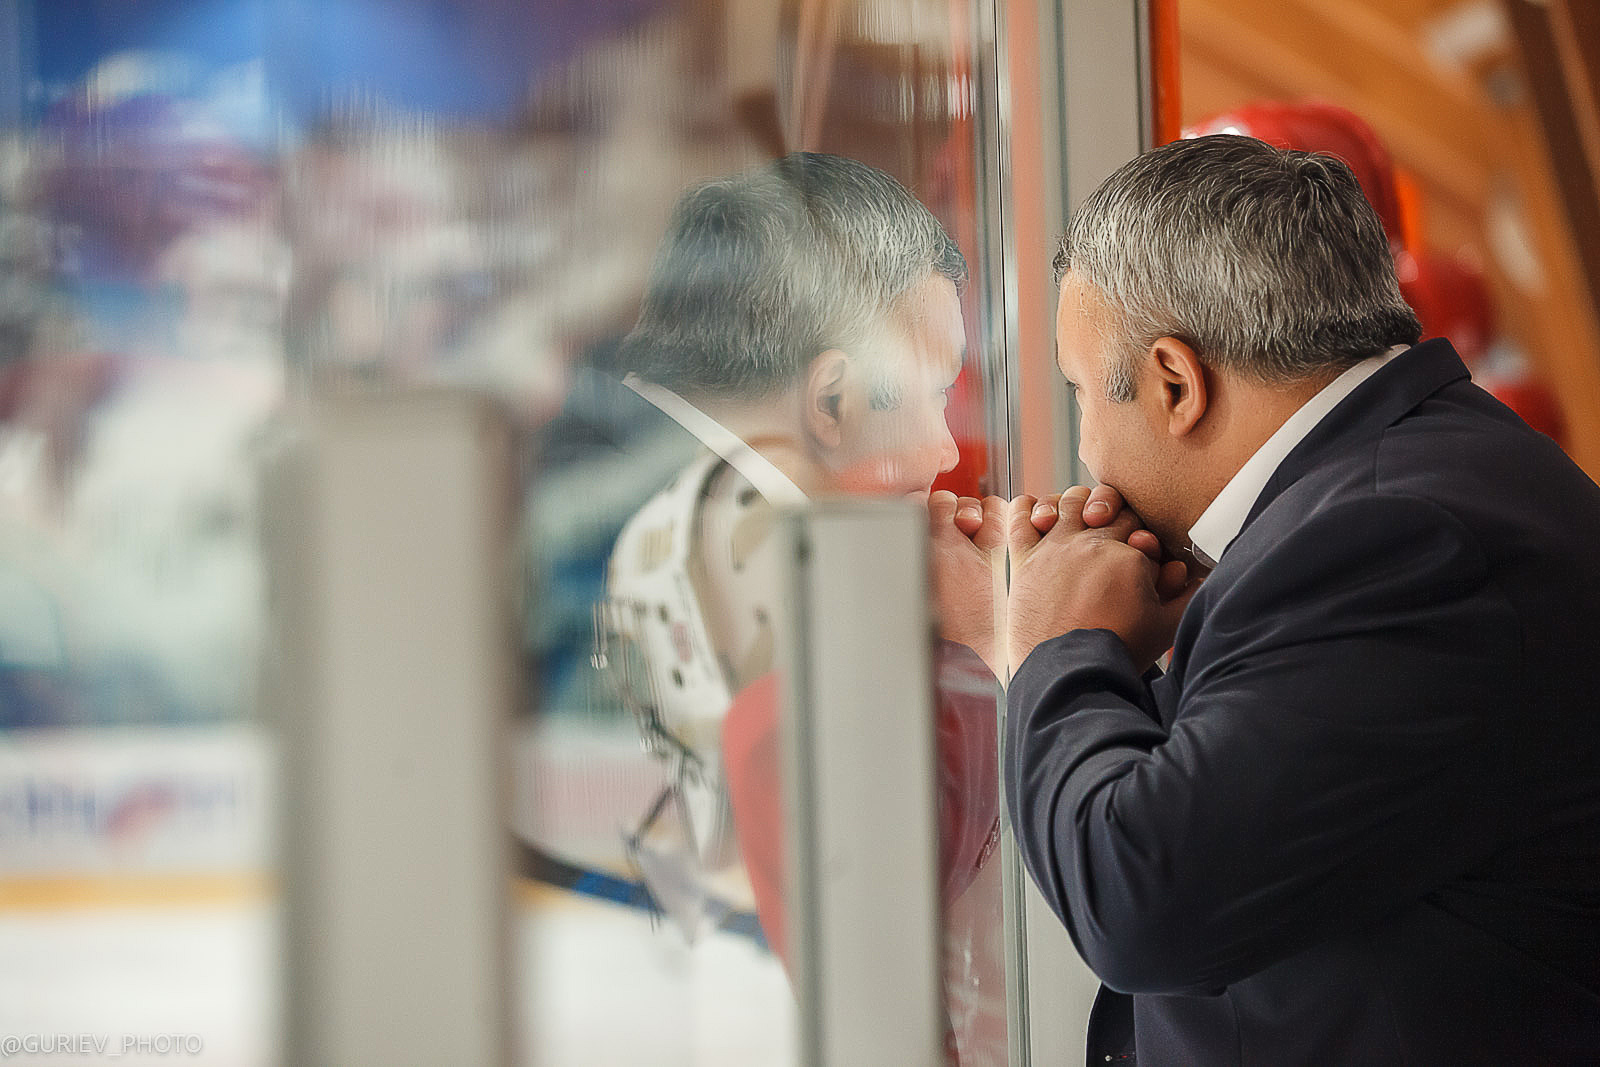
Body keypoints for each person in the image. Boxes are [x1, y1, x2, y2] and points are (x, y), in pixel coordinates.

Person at [965, 134, 1600, 1063]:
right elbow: (1261, 804)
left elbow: (1141, 901)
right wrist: (1098, 647)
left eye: (1081, 394)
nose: (1084, 452)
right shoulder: (1416, 481)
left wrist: (1049, 642)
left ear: (1176, 383)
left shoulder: (1392, 539)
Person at [595, 152, 1006, 1061]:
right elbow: (887, 882)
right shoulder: (747, 551)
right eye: (937, 392)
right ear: (829, 399)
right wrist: (992, 637)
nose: (947, 450)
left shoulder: (622, 483)